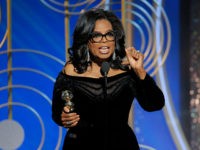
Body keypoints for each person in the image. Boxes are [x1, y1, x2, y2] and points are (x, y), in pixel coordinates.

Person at [51, 8, 165, 150]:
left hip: (122, 145)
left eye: (109, 34)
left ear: (115, 38)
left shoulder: (127, 71)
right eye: (97, 35)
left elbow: (154, 104)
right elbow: (57, 113)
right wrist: (64, 117)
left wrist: (140, 72)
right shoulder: (71, 71)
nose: (104, 41)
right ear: (86, 39)